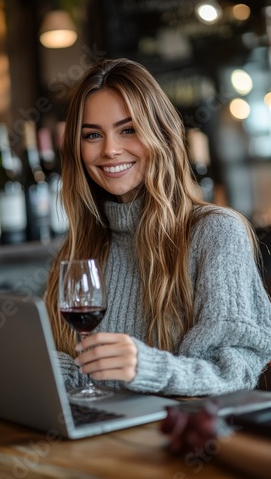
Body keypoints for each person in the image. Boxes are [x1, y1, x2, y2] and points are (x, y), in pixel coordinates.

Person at [45, 57, 271, 397]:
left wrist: (146, 368)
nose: (109, 150)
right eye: (92, 135)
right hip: (98, 438)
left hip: (179, 442)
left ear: (161, 134)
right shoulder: (81, 245)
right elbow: (86, 370)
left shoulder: (215, 232)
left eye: (128, 129)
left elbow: (234, 373)